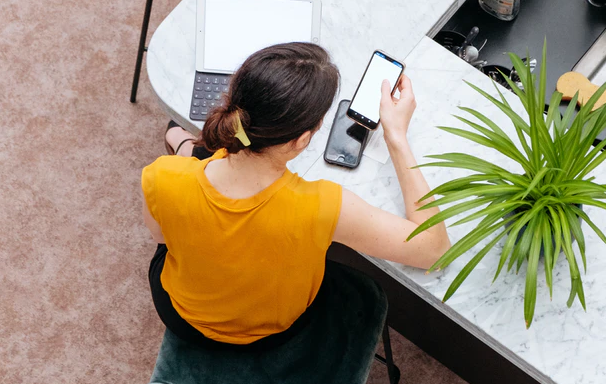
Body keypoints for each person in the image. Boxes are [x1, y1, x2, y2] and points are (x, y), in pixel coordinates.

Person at [142, 42, 449, 348]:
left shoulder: (161, 176)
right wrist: (396, 136)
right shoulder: (322, 206)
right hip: (275, 331)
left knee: (195, 160)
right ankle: (187, 145)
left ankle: (183, 144)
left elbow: (162, 239)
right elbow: (434, 251)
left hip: (182, 316)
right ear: (302, 140)